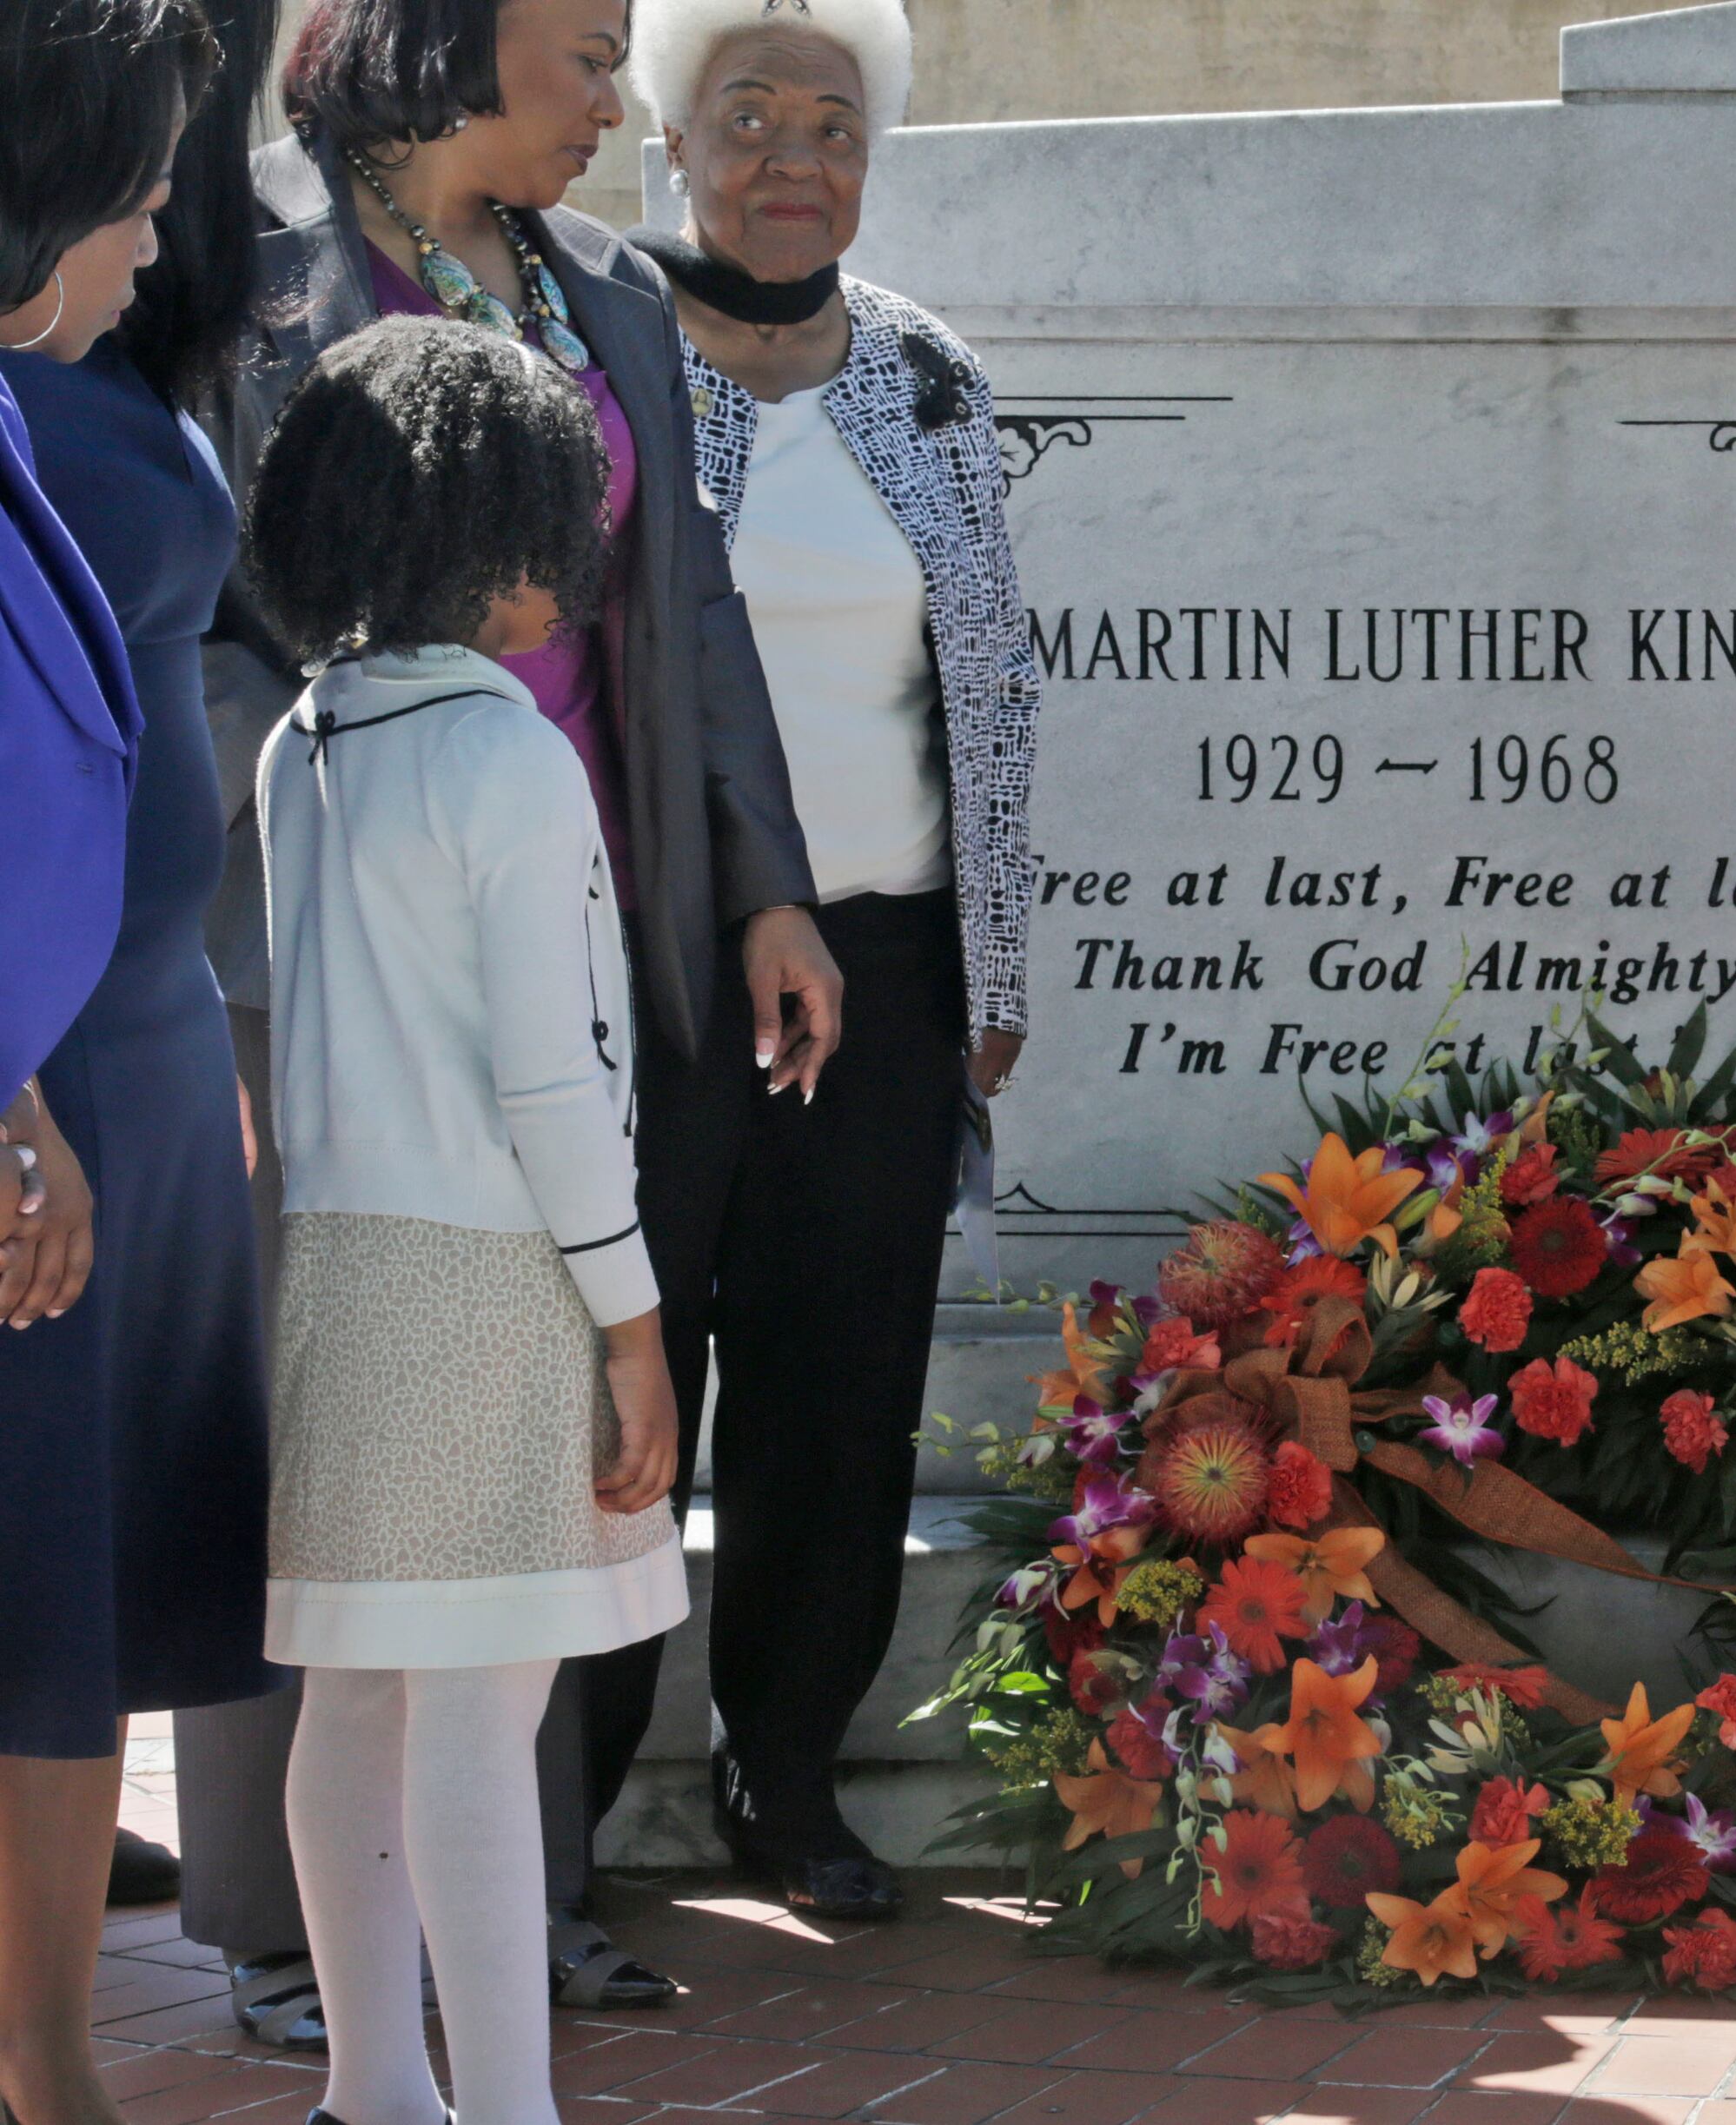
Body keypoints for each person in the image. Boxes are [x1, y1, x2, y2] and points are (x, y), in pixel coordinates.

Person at [182, 0, 840, 2023]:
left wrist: (764, 882)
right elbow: (206, 623)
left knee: (523, 1416)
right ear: (443, 43)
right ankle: (298, 1943)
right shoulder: (251, 264)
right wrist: (274, 921)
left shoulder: (613, 290)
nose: (617, 97)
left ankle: (511, 1899)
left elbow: (692, 605)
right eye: (581, 48)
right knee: (344, 1441)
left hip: (575, 897)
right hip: (324, 939)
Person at [587, 0, 1035, 1920]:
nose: (790, 157)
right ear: (672, 141)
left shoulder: (932, 373)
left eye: (832, 122)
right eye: (745, 115)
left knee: (840, 1389)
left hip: (892, 965)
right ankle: (561, 1799)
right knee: (621, 1382)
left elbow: (992, 690)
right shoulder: (591, 353)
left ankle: (789, 1773)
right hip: (650, 975)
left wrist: (991, 958)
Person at [248, 314, 688, 2125]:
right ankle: (502, 2100)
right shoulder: (508, 761)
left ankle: (376, 2088)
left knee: (357, 1698)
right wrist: (636, 1318)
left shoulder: (302, 738)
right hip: (497, 1276)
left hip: (342, 1265)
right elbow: (553, 1084)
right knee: (482, 1719)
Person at [0, 0, 286, 1924]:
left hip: (136, 1042)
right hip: (53, 1069)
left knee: (89, 1590)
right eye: (139, 187)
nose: (170, 219)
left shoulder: (66, 377)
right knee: (45, 1587)